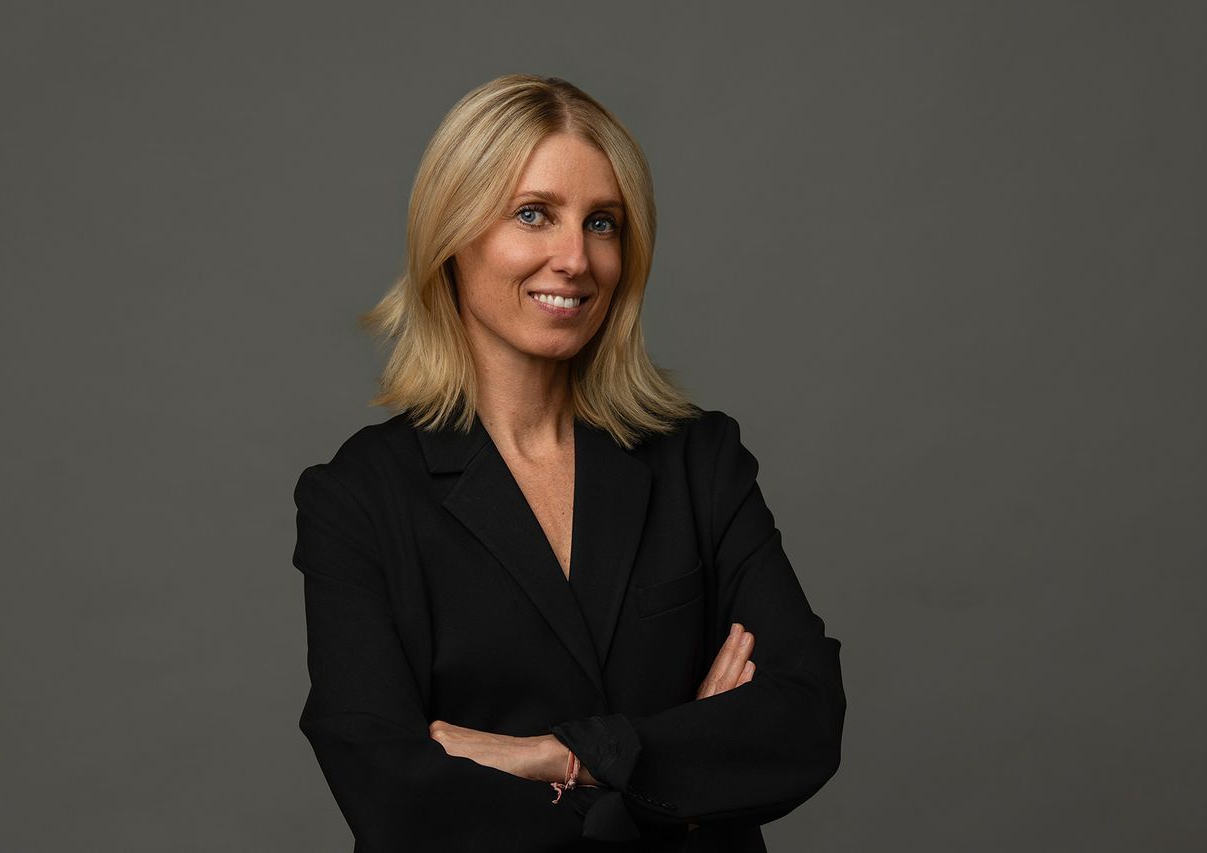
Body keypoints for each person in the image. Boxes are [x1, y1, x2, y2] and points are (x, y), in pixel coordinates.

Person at [290, 73, 845, 852]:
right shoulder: (358, 498)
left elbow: (805, 714)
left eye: (604, 223)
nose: (576, 258)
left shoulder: (700, 460)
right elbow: (396, 795)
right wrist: (678, 755)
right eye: (533, 214)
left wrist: (564, 756)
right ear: (451, 234)